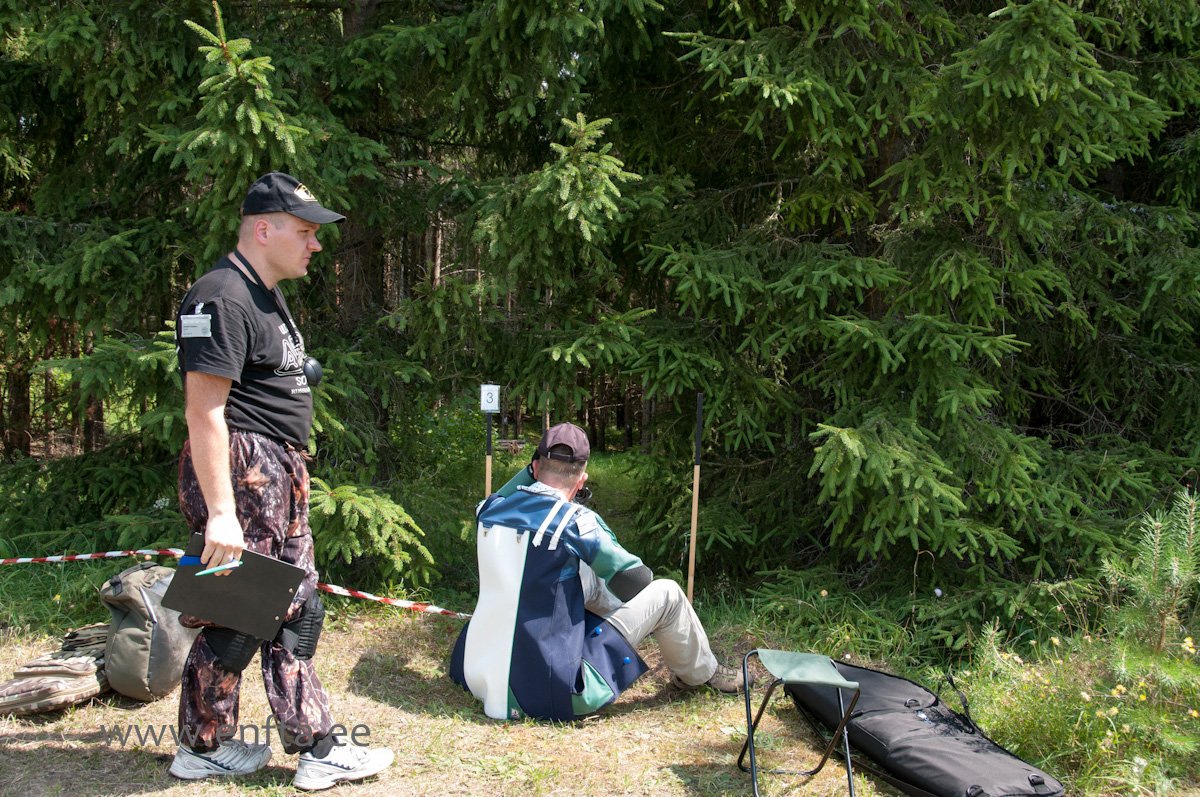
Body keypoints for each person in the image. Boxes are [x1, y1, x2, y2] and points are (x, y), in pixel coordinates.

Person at [169, 171, 393, 790]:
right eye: (304, 231)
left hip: (277, 467)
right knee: (247, 609)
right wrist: (220, 513)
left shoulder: (262, 291)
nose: (315, 244)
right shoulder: (219, 297)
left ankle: (203, 745)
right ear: (262, 230)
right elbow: (204, 410)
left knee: (288, 608)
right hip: (243, 470)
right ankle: (315, 747)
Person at [450, 422, 747, 722]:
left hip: (477, 674)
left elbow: (508, 492)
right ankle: (701, 674)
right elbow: (636, 580)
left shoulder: (489, 510)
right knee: (667, 593)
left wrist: (533, 472)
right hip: (551, 692)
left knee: (582, 575)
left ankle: (604, 630)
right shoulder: (576, 522)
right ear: (582, 481)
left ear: (535, 467)